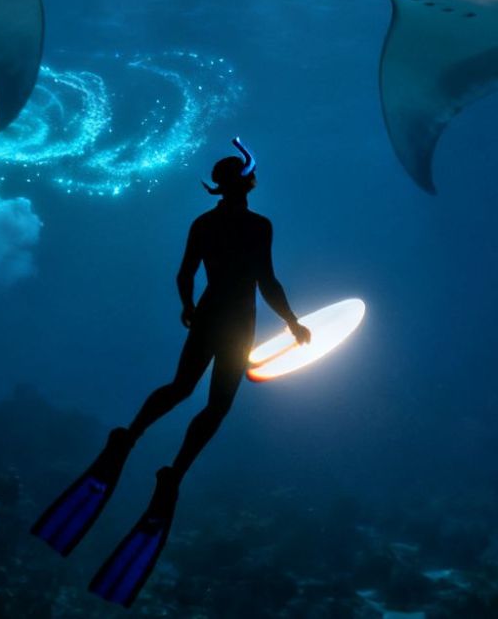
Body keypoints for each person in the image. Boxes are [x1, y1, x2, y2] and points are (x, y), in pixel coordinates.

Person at [31, 138, 310, 606]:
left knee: (181, 387)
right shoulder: (260, 225)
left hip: (206, 314)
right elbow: (268, 280)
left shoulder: (203, 223)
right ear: (245, 184)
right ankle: (173, 472)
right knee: (217, 406)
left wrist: (186, 307)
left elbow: (184, 273)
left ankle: (129, 435)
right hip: (238, 322)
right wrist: (293, 322)